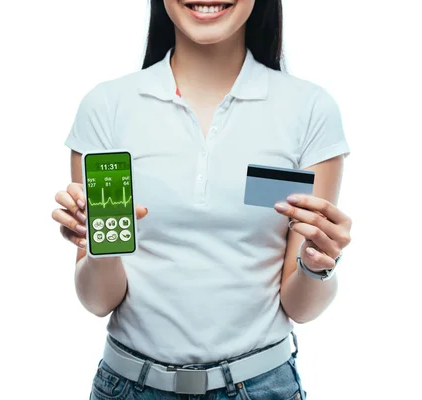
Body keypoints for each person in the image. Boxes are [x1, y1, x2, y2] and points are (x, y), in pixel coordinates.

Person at [52, 0, 352, 399]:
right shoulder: (107, 108)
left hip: (262, 387)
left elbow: (300, 307)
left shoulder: (309, 110)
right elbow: (98, 301)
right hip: (129, 386)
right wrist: (98, 249)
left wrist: (318, 265)